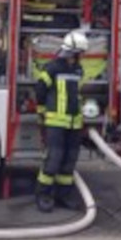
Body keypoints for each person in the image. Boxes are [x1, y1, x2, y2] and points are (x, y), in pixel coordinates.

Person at [34, 30, 89, 213]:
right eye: (81, 52)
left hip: (74, 122)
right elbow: (40, 89)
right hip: (56, 122)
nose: (82, 56)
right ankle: (43, 195)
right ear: (73, 52)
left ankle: (63, 195)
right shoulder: (52, 68)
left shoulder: (78, 69)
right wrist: (42, 111)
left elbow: (77, 93)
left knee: (69, 160)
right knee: (53, 159)